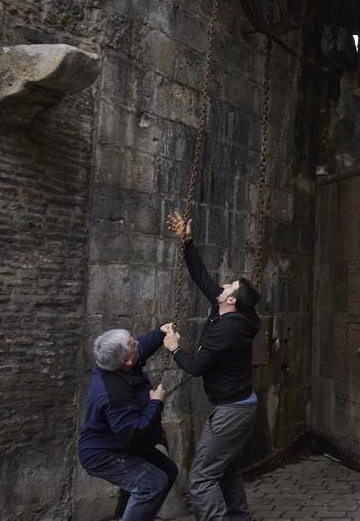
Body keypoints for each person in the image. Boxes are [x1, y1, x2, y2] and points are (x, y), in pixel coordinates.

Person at [164, 210, 262, 521]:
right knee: (226, 470)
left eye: (229, 286)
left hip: (232, 411)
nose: (223, 285)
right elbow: (201, 277)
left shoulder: (228, 330)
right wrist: (187, 242)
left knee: (201, 478)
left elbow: (196, 366)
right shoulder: (227, 313)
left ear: (230, 301)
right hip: (235, 406)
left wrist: (174, 347)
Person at [78, 327, 177, 521]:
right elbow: (134, 435)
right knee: (152, 483)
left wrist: (160, 333)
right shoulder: (114, 393)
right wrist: (156, 403)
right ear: (126, 361)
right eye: (133, 344)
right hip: (104, 453)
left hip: (120, 443)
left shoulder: (114, 363)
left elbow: (141, 348)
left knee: (168, 471)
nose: (137, 342)